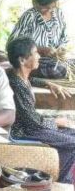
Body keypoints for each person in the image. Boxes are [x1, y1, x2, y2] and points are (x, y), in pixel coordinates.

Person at [6, 37, 75, 183]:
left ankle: (60, 174)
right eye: (35, 53)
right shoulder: (17, 85)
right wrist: (56, 122)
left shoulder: (17, 75)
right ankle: (60, 181)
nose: (39, 56)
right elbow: (33, 122)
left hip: (32, 127)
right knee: (72, 143)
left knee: (72, 133)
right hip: (24, 131)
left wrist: (48, 83)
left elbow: (30, 80)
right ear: (22, 60)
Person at [8, 0, 72, 80]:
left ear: (55, 3)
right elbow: (12, 44)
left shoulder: (59, 14)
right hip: (35, 61)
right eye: (42, 6)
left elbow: (64, 39)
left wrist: (61, 50)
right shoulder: (29, 16)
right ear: (36, 2)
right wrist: (39, 49)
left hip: (54, 61)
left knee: (67, 66)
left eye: (49, 7)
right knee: (57, 69)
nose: (44, 10)